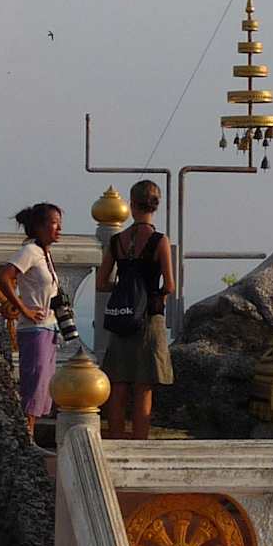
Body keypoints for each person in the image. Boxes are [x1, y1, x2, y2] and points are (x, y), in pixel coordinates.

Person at [96, 179, 175, 439]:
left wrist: (125, 290)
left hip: (122, 319)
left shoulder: (117, 240)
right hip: (149, 317)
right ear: (156, 205)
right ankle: (140, 444)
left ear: (131, 205)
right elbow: (170, 285)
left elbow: (102, 283)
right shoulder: (159, 241)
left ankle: (116, 441)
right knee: (143, 386)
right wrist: (150, 295)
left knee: (118, 384)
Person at [0, 201, 63, 437]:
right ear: (39, 227)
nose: (59, 229)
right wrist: (24, 309)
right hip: (35, 329)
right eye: (54, 223)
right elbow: (3, 277)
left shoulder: (44, 253)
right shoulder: (30, 252)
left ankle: (30, 436)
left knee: (44, 386)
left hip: (49, 327)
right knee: (34, 385)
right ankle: (27, 436)